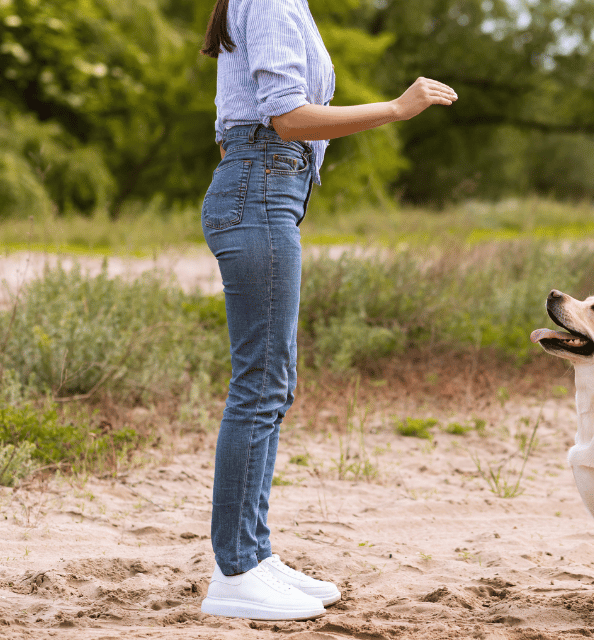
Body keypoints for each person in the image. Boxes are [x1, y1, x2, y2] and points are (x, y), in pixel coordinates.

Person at [196, 0, 456, 621]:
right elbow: (288, 119)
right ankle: (235, 571)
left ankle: (252, 558)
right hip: (259, 184)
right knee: (259, 385)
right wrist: (396, 109)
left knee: (272, 383)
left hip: (270, 189)